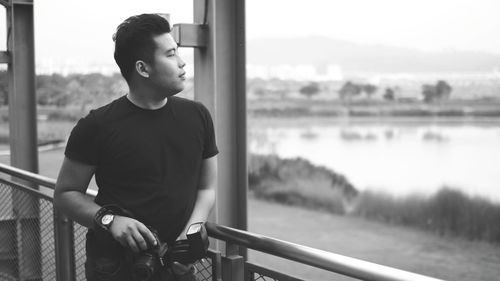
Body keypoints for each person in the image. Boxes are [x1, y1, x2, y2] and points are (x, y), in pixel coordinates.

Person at [54, 13, 217, 281]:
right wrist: (111, 221)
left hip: (177, 264)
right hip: (113, 267)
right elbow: (65, 194)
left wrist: (191, 231)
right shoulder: (96, 125)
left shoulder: (198, 116)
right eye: (171, 54)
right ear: (143, 68)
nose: (182, 62)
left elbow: (207, 187)